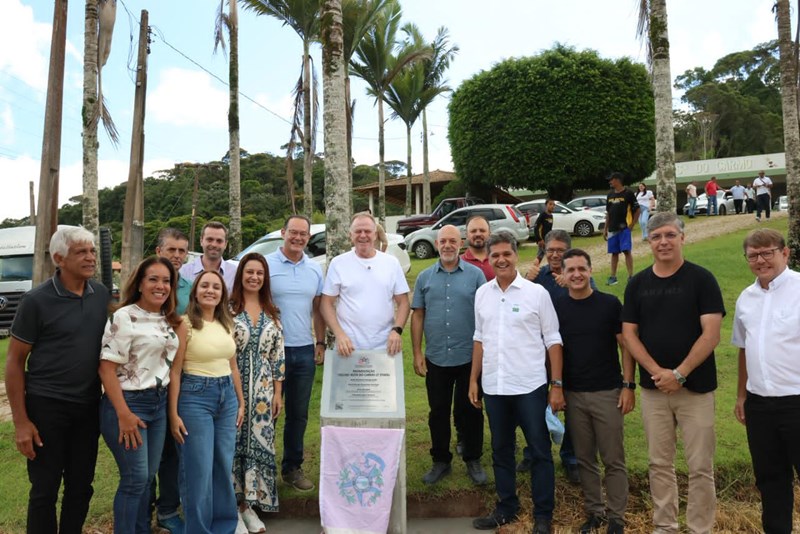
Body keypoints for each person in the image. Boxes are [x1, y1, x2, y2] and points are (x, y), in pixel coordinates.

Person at [622, 212, 724, 534]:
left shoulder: (702, 279)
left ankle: (699, 529)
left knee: (700, 466)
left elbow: (711, 334)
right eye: (656, 237)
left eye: (669, 235)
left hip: (696, 389)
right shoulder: (637, 284)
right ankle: (665, 526)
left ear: (682, 237)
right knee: (659, 463)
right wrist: (657, 373)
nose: (663, 242)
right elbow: (629, 335)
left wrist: (679, 373)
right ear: (648, 242)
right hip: (654, 391)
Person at [6, 227, 110, 533]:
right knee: (44, 489)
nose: (90, 257)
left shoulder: (101, 295)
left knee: (81, 486)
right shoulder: (36, 301)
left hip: (88, 406)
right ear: (59, 259)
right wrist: (21, 422)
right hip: (46, 407)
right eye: (81, 252)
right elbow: (14, 362)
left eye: (92, 251)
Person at [468, 230, 562, 534]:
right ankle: (506, 507)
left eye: (506, 253)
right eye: (495, 255)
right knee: (501, 450)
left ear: (516, 255)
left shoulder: (536, 293)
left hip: (530, 387)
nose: (501, 259)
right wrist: (474, 379)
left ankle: (543, 514)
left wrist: (556, 384)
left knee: (539, 450)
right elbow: (479, 338)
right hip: (494, 387)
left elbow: (553, 339)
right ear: (489, 258)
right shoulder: (483, 294)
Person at [99, 257, 181, 534]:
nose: (161, 286)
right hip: (128, 403)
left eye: (166, 281)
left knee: (146, 479)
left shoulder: (167, 318)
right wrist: (123, 414)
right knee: (135, 479)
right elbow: (106, 369)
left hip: (158, 403)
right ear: (139, 284)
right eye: (153, 279)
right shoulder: (124, 317)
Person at [555, 249, 634, 534]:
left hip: (608, 392)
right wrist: (557, 388)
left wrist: (628, 385)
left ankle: (616, 518)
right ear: (563, 275)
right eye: (571, 270)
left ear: (590, 271)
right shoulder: (557, 307)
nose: (577, 274)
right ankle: (595, 512)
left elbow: (626, 346)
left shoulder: (609, 304)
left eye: (582, 269)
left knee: (613, 458)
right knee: (585, 458)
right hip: (574, 394)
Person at [732, 229, 800, 534]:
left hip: (797, 400)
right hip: (759, 405)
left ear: (785, 253)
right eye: (753, 255)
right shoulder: (746, 298)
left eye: (767, 253)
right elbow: (743, 348)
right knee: (770, 480)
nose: (760, 261)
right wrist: (741, 396)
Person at [169, 270, 245, 534]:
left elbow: (232, 366)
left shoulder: (227, 323)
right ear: (195, 291)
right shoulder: (184, 324)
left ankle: (224, 527)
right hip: (195, 398)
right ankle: (199, 529)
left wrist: (241, 401)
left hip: (227, 398)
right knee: (198, 468)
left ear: (222, 293)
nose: (210, 290)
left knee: (223, 464)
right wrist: (173, 414)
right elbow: (175, 371)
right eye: (205, 286)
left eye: (216, 287)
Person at [411, 225, 487, 486]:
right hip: (436, 357)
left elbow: (485, 314)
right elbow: (418, 315)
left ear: (461, 243)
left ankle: (473, 458)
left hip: (469, 357)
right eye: (443, 241)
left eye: (452, 241)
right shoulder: (424, 277)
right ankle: (441, 460)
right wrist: (417, 352)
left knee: (471, 410)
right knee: (438, 412)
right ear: (436, 244)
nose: (447, 245)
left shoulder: (476, 276)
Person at [522, 229, 595, 484]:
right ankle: (533, 451)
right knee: (534, 406)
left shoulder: (578, 276)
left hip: (574, 352)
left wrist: (574, 286)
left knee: (573, 407)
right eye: (550, 250)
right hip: (539, 354)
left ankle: (571, 457)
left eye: (560, 251)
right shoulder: (537, 276)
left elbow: (593, 303)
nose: (554, 255)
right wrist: (526, 281)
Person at [266, 215, 325, 492]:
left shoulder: (314, 269)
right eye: (293, 232)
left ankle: (292, 468)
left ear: (308, 237)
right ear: (283, 232)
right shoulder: (266, 264)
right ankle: (263, 470)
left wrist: (320, 342)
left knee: (298, 414)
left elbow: (318, 309)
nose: (298, 237)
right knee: (267, 413)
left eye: (303, 234)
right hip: (269, 352)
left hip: (303, 351)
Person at [230, 253, 286, 534]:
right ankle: (231, 508)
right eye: (249, 272)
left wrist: (278, 393)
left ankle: (248, 506)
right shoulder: (228, 309)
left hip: (263, 393)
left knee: (258, 445)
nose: (254, 277)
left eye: (259, 273)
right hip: (232, 388)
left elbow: (278, 355)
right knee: (232, 446)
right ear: (241, 275)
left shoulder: (272, 312)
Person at [320, 212, 410, 356]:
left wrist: (397, 330)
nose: (363, 235)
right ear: (350, 235)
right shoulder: (338, 264)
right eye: (358, 231)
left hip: (385, 347)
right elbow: (326, 303)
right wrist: (339, 334)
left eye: (367, 231)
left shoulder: (391, 263)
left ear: (375, 235)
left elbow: (404, 302)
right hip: (348, 347)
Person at [151, 227, 192, 534]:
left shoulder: (190, 287)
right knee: (146, 458)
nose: (177, 255)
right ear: (158, 251)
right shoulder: (146, 283)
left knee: (172, 450)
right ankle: (142, 514)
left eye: (182, 251)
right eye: (171, 250)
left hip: (180, 379)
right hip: (146, 381)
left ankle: (167, 509)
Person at [179, 221, 239, 291]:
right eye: (210, 240)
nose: (214, 245)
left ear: (225, 244)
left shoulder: (235, 274)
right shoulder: (183, 272)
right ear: (201, 241)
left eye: (219, 241)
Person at [604, 172, 639, 286]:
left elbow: (637, 210)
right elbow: (608, 213)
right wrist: (605, 229)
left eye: (611, 179)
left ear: (617, 180)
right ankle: (613, 277)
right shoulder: (610, 195)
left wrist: (632, 224)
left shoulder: (628, 193)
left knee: (626, 251)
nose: (610, 182)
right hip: (612, 229)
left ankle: (631, 276)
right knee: (614, 253)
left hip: (624, 228)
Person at [461, 215, 494, 281]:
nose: (478, 234)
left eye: (482, 230)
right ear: (466, 235)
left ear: (489, 233)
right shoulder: (459, 263)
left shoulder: (498, 259)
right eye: (473, 231)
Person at [532, 199, 555, 265]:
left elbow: (549, 229)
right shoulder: (542, 215)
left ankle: (534, 267)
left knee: (540, 256)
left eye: (553, 205)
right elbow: (536, 228)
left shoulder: (551, 216)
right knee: (551, 255)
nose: (552, 206)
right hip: (542, 240)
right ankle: (552, 268)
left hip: (548, 240)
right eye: (550, 204)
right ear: (546, 205)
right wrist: (539, 239)